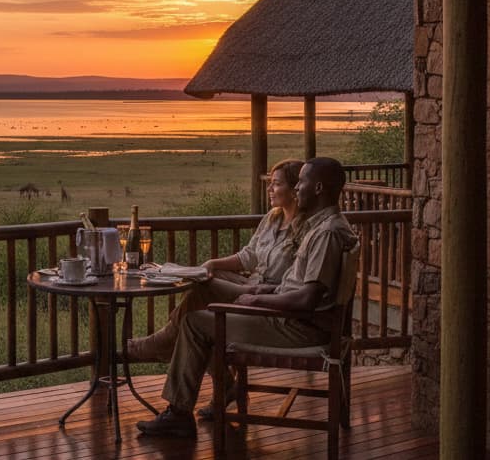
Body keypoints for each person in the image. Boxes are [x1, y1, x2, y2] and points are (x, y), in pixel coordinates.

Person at [136, 156, 357, 440]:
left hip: (297, 327)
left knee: (195, 323)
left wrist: (258, 300)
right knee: (201, 306)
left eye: (301, 182)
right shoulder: (323, 226)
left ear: (318, 188)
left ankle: (178, 413)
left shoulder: (326, 233)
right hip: (291, 317)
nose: (296, 188)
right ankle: (186, 389)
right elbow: (301, 287)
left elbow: (307, 300)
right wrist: (268, 291)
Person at [126, 158, 305, 363]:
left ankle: (160, 342)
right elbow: (248, 256)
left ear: (295, 190)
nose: (269, 189)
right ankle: (172, 339)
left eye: (277, 184)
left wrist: (262, 289)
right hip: (251, 282)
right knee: (209, 276)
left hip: (266, 293)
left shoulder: (306, 230)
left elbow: (295, 281)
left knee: (204, 286)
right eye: (270, 183)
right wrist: (212, 263)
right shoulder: (272, 218)